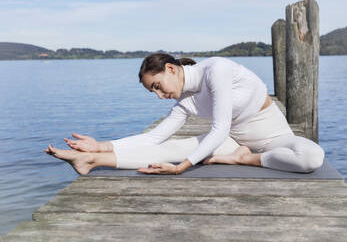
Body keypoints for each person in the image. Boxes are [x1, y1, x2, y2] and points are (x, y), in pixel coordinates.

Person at [45, 53, 325, 175]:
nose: (159, 95)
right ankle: (92, 160)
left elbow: (220, 125)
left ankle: (246, 160)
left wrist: (183, 167)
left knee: (312, 156)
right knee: (171, 147)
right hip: (232, 141)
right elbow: (154, 138)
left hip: (276, 138)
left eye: (157, 86)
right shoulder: (185, 103)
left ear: (170, 69)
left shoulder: (216, 70)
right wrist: (102, 144)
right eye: (152, 92)